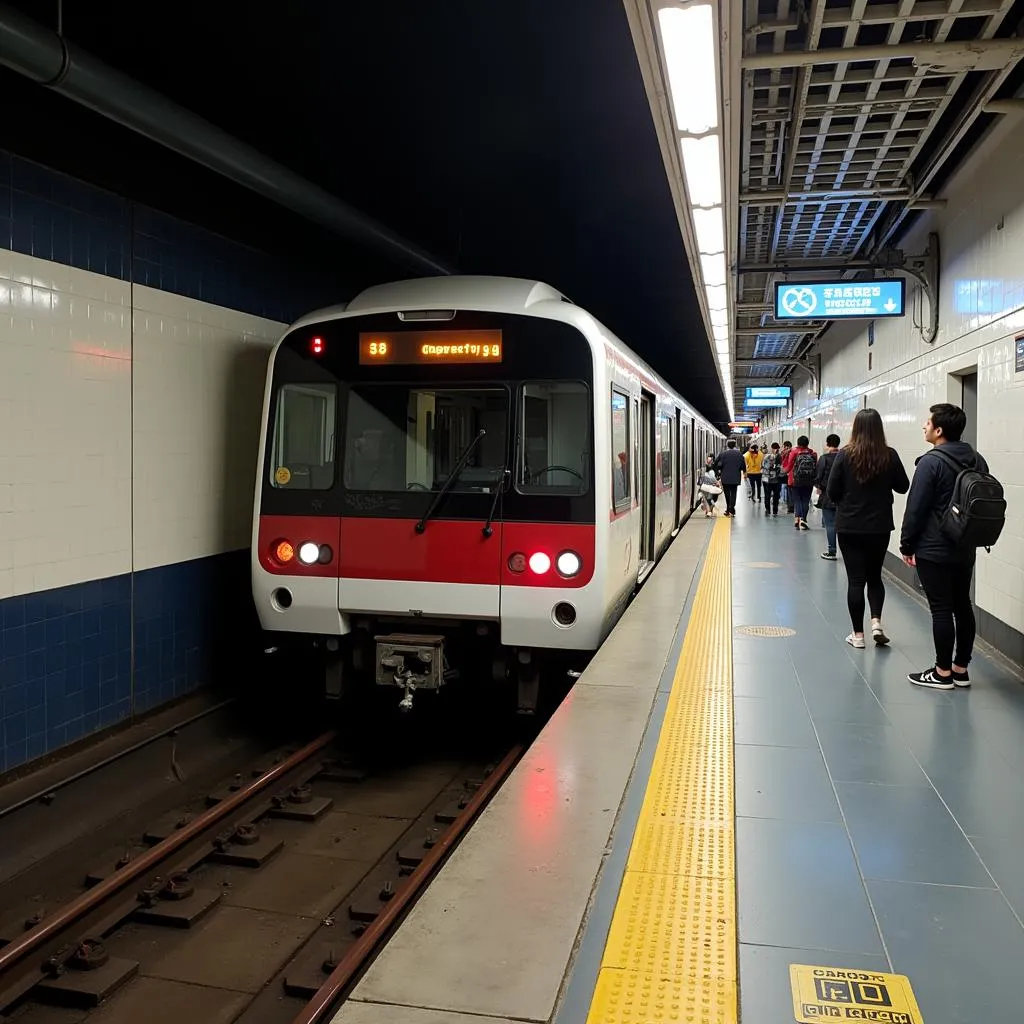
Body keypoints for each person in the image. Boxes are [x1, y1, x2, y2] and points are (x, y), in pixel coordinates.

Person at [899, 403, 990, 689]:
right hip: (965, 545)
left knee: (941, 609)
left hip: (934, 547)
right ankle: (960, 668)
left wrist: (906, 544)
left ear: (939, 430)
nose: (924, 427)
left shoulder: (931, 462)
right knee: (963, 604)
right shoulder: (977, 459)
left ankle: (941, 672)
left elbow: (916, 508)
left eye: (927, 423)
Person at [826, 409, 909, 649]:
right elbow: (903, 487)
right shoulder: (889, 455)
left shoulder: (844, 455)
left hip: (850, 526)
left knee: (855, 580)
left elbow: (832, 492)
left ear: (855, 428)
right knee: (875, 577)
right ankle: (876, 623)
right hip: (880, 526)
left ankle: (858, 635)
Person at [815, 434, 841, 560]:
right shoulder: (845, 457)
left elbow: (818, 476)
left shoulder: (824, 458)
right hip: (844, 497)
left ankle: (832, 551)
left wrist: (819, 487)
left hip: (827, 495)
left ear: (827, 443)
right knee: (842, 525)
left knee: (830, 524)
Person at [784, 435, 818, 530]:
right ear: (807, 443)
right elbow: (816, 467)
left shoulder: (794, 452)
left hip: (795, 480)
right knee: (805, 500)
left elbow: (789, 466)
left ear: (798, 443)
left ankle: (798, 519)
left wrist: (783, 471)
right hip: (809, 480)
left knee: (797, 500)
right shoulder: (813, 453)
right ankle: (803, 519)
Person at [714, 441, 746, 517]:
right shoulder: (739, 454)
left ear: (727, 445)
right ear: (735, 445)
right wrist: (744, 472)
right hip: (735, 477)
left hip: (725, 477)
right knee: (734, 493)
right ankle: (732, 508)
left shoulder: (722, 454)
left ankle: (728, 509)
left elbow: (716, 463)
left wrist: (717, 473)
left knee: (727, 494)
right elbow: (743, 466)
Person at [761, 442, 783, 516]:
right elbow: (779, 467)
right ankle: (775, 511)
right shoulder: (779, 457)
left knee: (767, 495)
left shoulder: (766, 456)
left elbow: (763, 466)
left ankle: (767, 510)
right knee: (776, 496)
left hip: (766, 479)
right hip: (776, 480)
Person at [780, 440, 794, 512]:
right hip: (792, 473)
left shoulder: (789, 452)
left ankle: (787, 503)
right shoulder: (795, 451)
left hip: (787, 471)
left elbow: (781, 458)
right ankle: (789, 503)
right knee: (788, 488)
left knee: (786, 488)